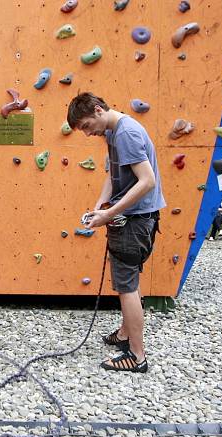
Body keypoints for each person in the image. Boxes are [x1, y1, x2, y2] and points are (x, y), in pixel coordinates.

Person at [66, 92, 166, 373]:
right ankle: (124, 334)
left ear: (98, 110)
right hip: (132, 218)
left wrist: (109, 214)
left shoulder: (126, 134)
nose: (87, 133)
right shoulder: (113, 132)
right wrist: (99, 206)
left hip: (134, 221)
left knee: (126, 286)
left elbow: (147, 182)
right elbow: (113, 176)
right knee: (128, 278)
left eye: (86, 126)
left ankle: (136, 355)